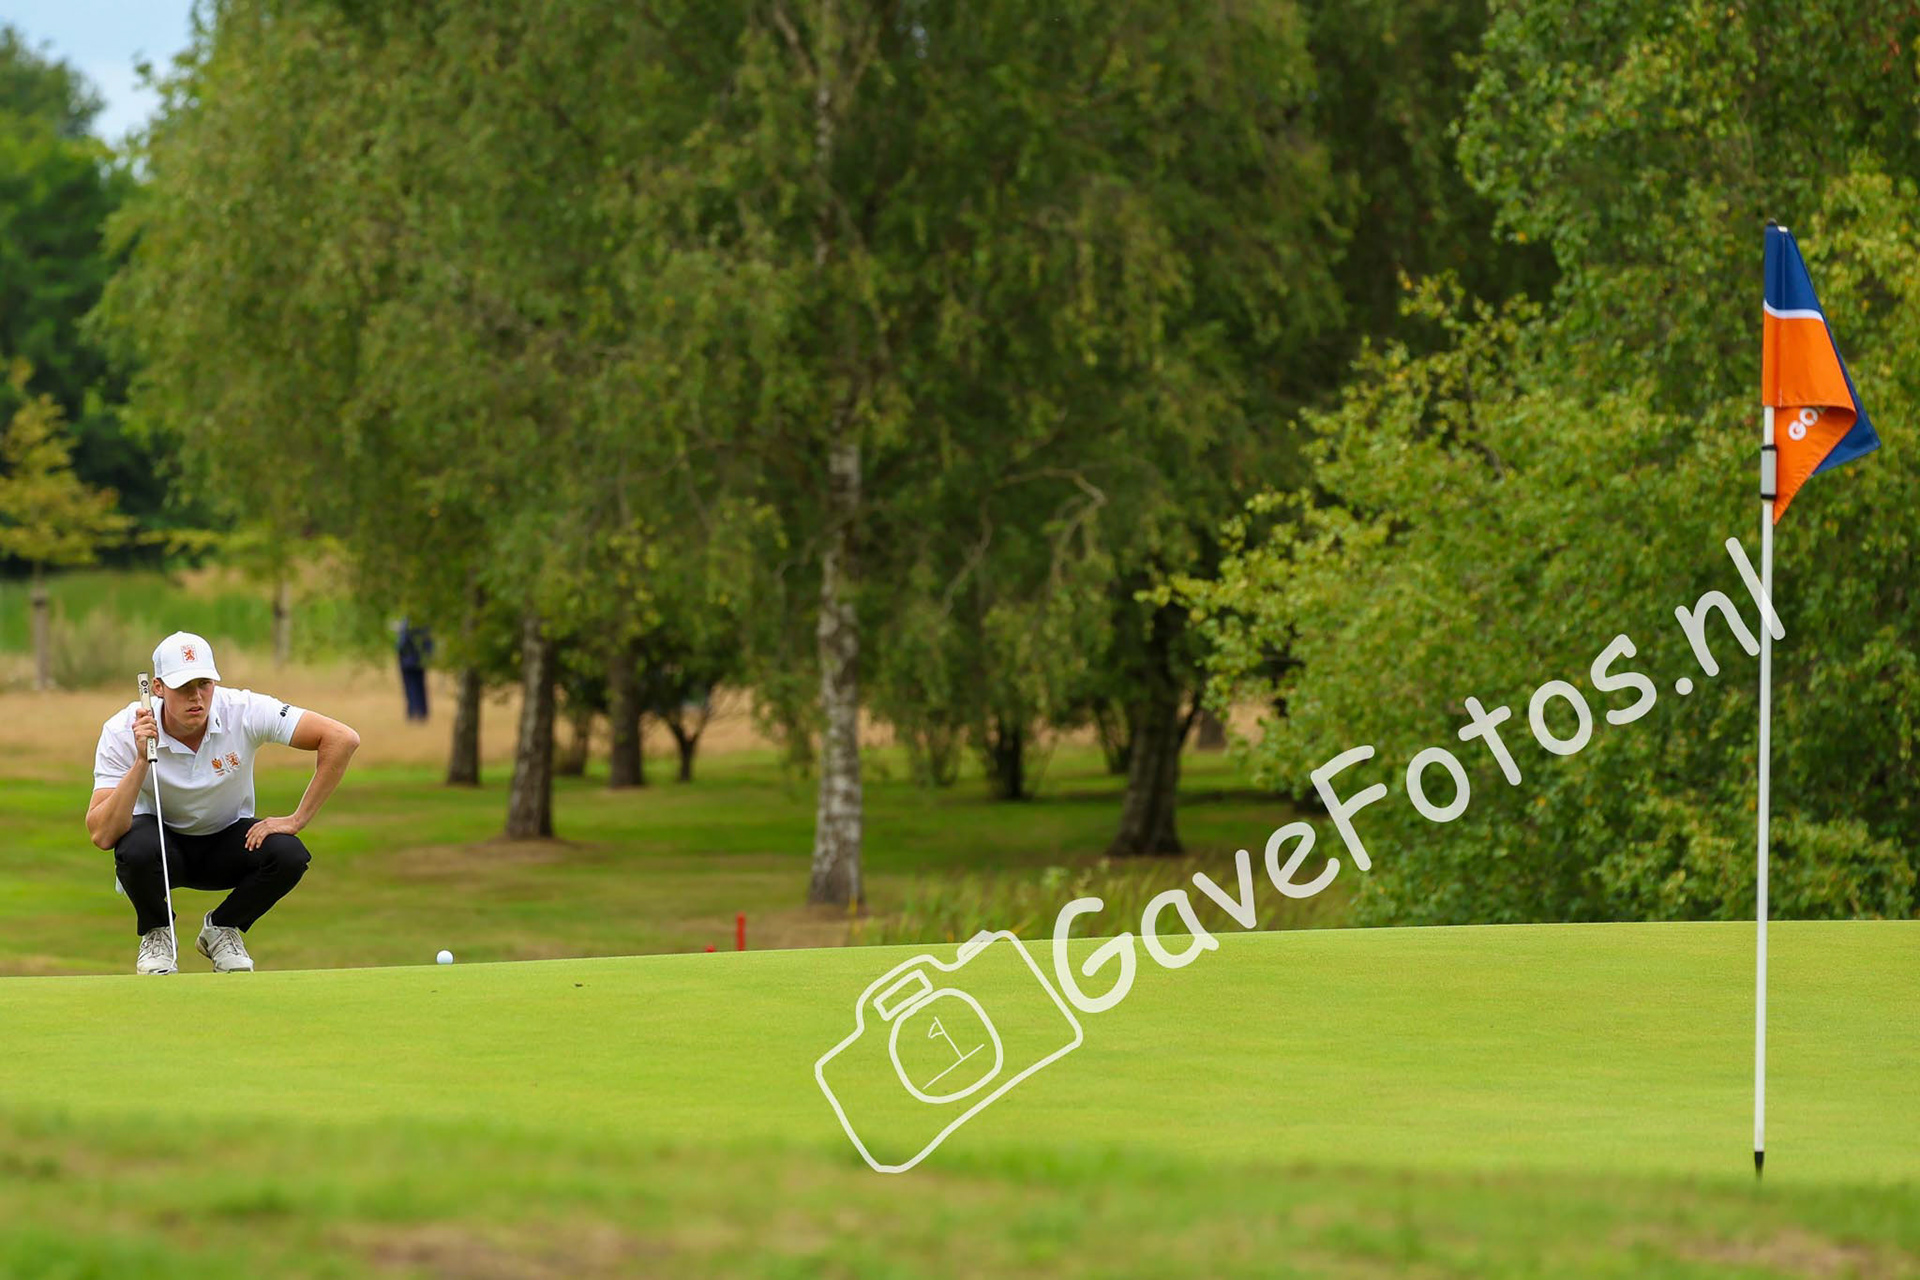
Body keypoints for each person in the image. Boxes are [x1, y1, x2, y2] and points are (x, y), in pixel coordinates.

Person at [85, 631, 361, 975]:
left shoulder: (242, 709)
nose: (196, 697)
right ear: (157, 688)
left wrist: (297, 819)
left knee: (289, 854)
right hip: (161, 852)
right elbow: (101, 834)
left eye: (204, 683)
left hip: (227, 844)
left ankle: (222, 929)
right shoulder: (121, 729)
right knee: (135, 845)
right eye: (183, 686)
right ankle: (157, 932)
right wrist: (142, 761)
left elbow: (341, 738)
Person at [395, 618, 433, 721]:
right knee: (420, 686)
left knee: (410, 687)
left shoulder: (407, 622)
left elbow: (402, 644)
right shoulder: (424, 624)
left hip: (407, 662)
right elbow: (429, 644)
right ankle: (423, 712)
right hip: (420, 661)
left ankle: (413, 712)